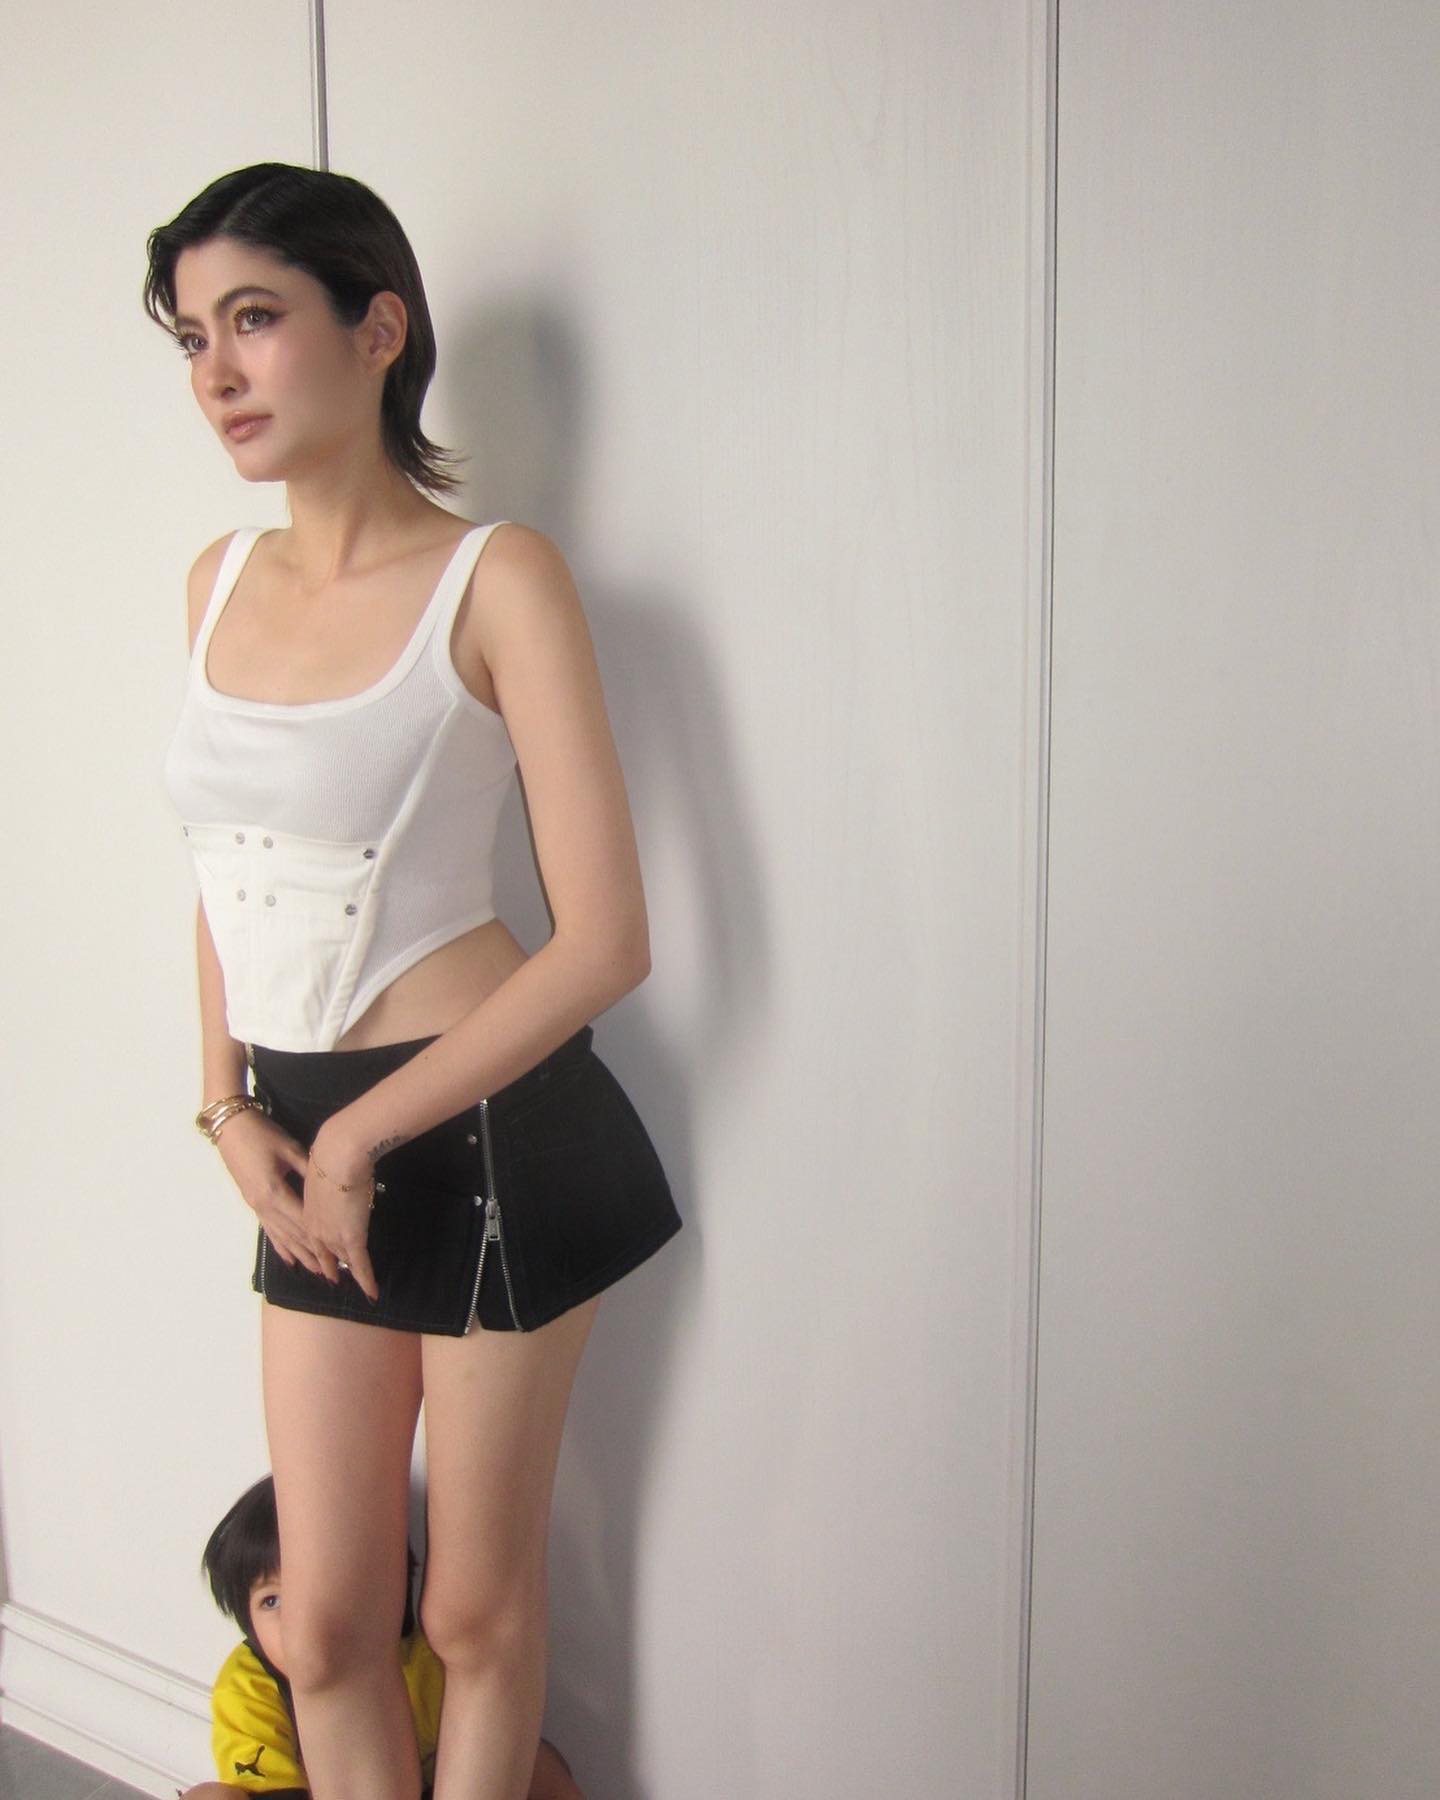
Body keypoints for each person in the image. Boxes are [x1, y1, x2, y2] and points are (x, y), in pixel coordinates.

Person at [145, 162, 683, 1800]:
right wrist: (228, 1107)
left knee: (469, 1610)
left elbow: (606, 938)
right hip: (301, 1141)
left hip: (493, 1128)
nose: (218, 372)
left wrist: (366, 1131)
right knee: (322, 1627)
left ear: (378, 329)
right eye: (192, 336)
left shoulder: (497, 577)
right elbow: (220, 873)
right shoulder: (215, 583)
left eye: (255, 319)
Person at [181, 1475, 582, 1799]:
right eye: (272, 1601)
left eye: (321, 1590)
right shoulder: (248, 1685)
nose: (298, 1620)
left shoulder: (420, 1663)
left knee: (538, 1762)